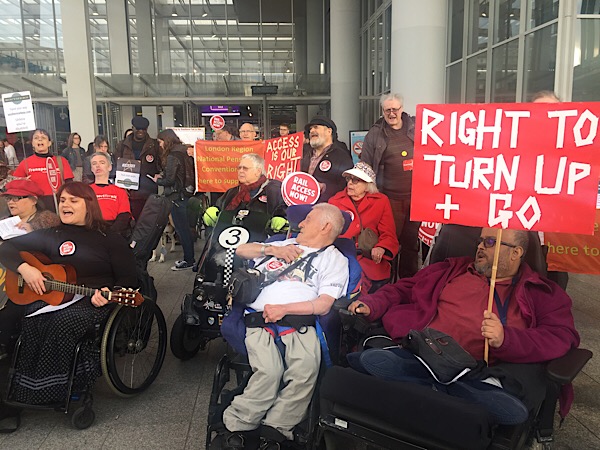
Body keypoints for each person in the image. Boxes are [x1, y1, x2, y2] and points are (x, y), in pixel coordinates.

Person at [346, 227, 580, 424]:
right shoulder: (451, 270)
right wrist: (372, 303)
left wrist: (507, 339)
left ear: (516, 252)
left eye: (489, 242)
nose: (479, 247)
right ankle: (449, 388)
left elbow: (561, 336)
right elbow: (403, 288)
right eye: (480, 241)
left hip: (482, 368)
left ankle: (434, 383)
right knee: (377, 360)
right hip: (426, 350)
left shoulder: (542, 292)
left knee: (506, 387)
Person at [221, 203, 349, 449]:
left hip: (298, 321)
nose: (300, 224)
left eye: (308, 219)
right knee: (269, 371)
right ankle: (239, 422)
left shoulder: (335, 260)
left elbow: (323, 304)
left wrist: (285, 309)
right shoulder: (282, 244)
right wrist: (272, 250)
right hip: (259, 319)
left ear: (325, 226)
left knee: (305, 370)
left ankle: (277, 427)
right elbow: (241, 250)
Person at [0, 182, 137, 406]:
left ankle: (65, 387)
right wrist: (26, 269)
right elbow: (5, 248)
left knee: (63, 322)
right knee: (27, 318)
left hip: (93, 299)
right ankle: (26, 389)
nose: (65, 205)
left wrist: (109, 293)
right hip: (55, 296)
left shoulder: (109, 238)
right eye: (63, 200)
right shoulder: (53, 234)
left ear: (89, 205)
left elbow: (128, 279)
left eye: (73, 200)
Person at [361, 93, 420, 279]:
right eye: (388, 110)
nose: (392, 113)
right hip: (389, 198)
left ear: (402, 109)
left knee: (411, 242)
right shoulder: (375, 134)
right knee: (390, 242)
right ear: (382, 111)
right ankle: (388, 282)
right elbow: (365, 165)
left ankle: (408, 283)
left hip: (417, 197)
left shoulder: (417, 127)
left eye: (395, 109)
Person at [0, 179, 60, 359]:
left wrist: (32, 231)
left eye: (18, 198)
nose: (11, 202)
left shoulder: (47, 221)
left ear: (34, 200)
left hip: (29, 280)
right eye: (9, 198)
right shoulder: (5, 221)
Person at [328, 162, 398, 293]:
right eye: (349, 179)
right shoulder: (335, 201)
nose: (350, 183)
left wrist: (381, 247)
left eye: (356, 181)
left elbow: (388, 233)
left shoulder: (381, 201)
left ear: (368, 185)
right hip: (340, 255)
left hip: (367, 257)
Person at [203, 153, 287, 230]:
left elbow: (283, 209)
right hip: (231, 237)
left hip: (261, 238)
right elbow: (219, 207)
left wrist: (281, 218)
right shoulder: (233, 192)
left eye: (245, 168)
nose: (241, 171)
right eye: (239, 168)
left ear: (258, 171)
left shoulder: (274, 189)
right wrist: (213, 210)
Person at [153, 129, 196, 271]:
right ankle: (190, 258)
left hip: (176, 195)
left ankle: (188, 260)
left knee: (181, 230)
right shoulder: (185, 151)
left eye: (160, 142)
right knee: (186, 229)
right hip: (187, 194)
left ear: (166, 140)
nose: (160, 145)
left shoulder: (173, 155)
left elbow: (170, 180)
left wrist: (158, 180)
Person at [12, 129, 74, 212]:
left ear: (49, 143)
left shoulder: (61, 161)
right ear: (32, 143)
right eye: (36, 138)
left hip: (59, 202)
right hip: (36, 203)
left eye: (43, 137)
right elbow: (15, 185)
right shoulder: (25, 163)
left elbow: (70, 184)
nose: (40, 139)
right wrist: (23, 183)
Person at [114, 116, 161, 220]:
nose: (141, 131)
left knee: (148, 219)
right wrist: (120, 185)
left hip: (148, 187)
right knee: (130, 218)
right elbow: (116, 165)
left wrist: (160, 173)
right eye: (138, 129)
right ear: (133, 128)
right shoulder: (122, 145)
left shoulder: (154, 145)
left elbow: (161, 163)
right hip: (128, 188)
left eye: (143, 129)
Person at [300, 116, 353, 203]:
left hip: (327, 206)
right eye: (311, 129)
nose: (312, 131)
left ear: (329, 131)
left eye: (316, 127)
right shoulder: (305, 154)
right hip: (303, 204)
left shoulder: (341, 155)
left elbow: (346, 184)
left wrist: (324, 187)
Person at [89, 152, 132, 238]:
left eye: (102, 162)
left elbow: (124, 215)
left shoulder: (120, 191)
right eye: (94, 163)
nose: (98, 166)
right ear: (91, 169)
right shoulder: (85, 190)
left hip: (114, 232)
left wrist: (111, 234)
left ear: (110, 167)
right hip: (92, 232)